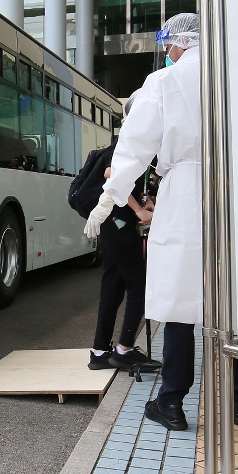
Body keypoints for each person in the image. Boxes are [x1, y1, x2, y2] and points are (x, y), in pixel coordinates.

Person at [85, 12, 238, 430]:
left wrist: (107, 201)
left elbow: (133, 147)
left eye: (168, 46)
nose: (167, 53)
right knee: (236, 298)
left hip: (184, 191)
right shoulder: (236, 76)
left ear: (180, 43)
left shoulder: (164, 82)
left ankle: (172, 402)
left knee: (180, 299)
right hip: (237, 188)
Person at [87, 98, 160, 373]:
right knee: (139, 285)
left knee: (113, 285)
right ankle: (124, 349)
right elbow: (112, 176)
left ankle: (100, 352)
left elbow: (128, 179)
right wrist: (139, 210)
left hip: (112, 221)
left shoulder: (127, 139)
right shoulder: (131, 141)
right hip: (117, 222)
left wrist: (145, 202)